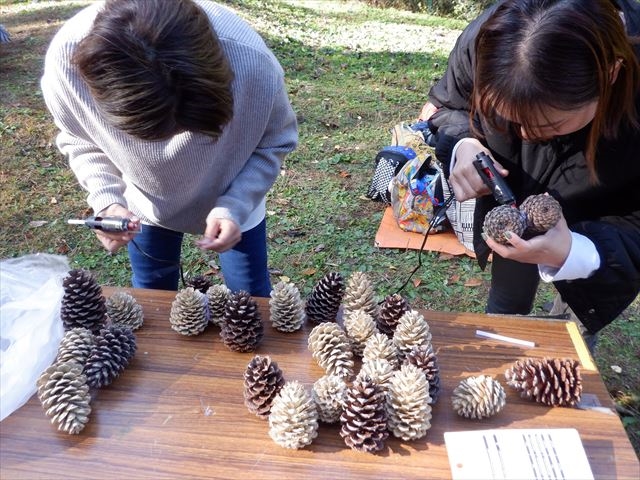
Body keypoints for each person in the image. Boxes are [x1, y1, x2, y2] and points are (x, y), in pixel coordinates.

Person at [41, 0, 298, 296]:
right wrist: (107, 200)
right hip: (143, 205)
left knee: (251, 296)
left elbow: (274, 142)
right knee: (152, 298)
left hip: (235, 198)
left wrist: (235, 206)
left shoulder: (253, 63)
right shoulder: (67, 65)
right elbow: (79, 138)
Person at [420, 0, 640, 339]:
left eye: (550, 125)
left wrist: (579, 253)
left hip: (606, 223)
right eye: (507, 118)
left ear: (611, 73)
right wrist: (465, 143)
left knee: (573, 336)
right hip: (511, 209)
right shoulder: (491, 36)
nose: (525, 136)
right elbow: (450, 105)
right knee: (506, 305)